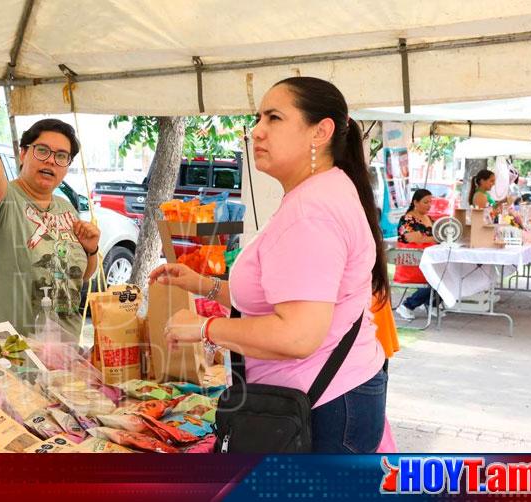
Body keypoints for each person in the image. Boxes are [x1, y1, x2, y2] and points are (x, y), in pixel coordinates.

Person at [150, 76, 388, 453]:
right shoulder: (321, 191)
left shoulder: (312, 211)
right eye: (257, 118)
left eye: (273, 118)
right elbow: (280, 298)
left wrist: (206, 327)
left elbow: (296, 335)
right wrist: (202, 284)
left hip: (321, 407)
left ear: (320, 131)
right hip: (333, 396)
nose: (256, 131)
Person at [0, 118, 101, 339]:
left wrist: (91, 250)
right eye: (42, 150)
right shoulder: (5, 199)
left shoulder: (66, 208)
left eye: (61, 156)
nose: (51, 161)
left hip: (57, 355)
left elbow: (82, 276)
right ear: (23, 154)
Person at [394, 189, 437, 320]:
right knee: (439, 277)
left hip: (426, 260)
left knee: (449, 271)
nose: (429, 205)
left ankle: (432, 303)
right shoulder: (407, 219)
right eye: (425, 202)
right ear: (415, 202)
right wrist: (436, 239)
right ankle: (407, 305)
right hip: (412, 262)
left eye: (430, 202)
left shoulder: (428, 218)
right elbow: (414, 239)